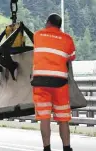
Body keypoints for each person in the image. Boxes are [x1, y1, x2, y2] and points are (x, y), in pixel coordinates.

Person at [31, 13, 76, 151]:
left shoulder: (37, 35)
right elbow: (71, 57)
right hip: (60, 83)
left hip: (40, 82)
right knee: (63, 118)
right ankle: (66, 148)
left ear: (48, 22)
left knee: (44, 117)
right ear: (59, 25)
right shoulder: (67, 39)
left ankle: (47, 148)